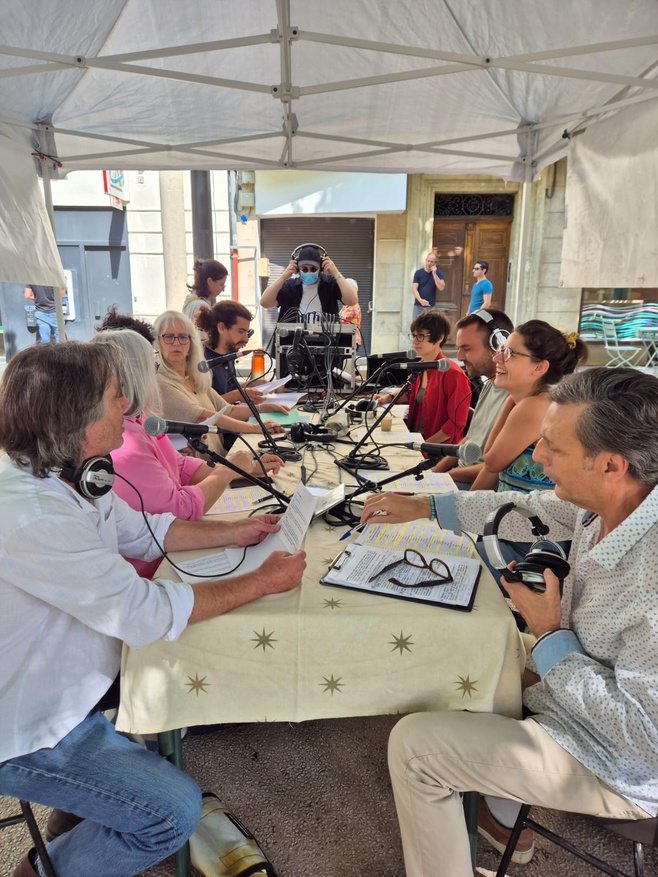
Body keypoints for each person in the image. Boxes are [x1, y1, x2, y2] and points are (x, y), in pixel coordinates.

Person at [0, 341, 306, 877]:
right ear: (77, 418)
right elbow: (143, 612)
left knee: (189, 679)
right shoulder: (33, 516)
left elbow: (144, 530)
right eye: (116, 398)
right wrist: (260, 582)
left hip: (80, 684)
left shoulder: (70, 472)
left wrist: (236, 530)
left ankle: (73, 819)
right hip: (30, 725)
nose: (129, 407)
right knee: (172, 813)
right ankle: (42, 871)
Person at [361, 366, 658, 877]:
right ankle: (499, 810)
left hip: (617, 763)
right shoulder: (610, 504)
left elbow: (642, 737)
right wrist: (425, 506)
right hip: (574, 684)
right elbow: (527, 506)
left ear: (611, 465)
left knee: (415, 749)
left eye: (554, 450)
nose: (538, 459)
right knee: (457, 647)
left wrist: (548, 635)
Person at [91, 329, 285, 577]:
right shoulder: (122, 441)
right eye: (152, 365)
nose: (156, 371)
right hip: (157, 569)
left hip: (172, 548)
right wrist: (226, 472)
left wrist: (245, 469)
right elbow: (180, 510)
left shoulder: (141, 418)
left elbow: (181, 465)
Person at [470, 322, 588, 494]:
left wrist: (509, 401)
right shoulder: (537, 400)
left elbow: (490, 462)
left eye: (509, 353)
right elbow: (491, 470)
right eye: (501, 350)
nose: (496, 358)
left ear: (539, 367)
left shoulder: (533, 407)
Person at [154, 310, 286, 459]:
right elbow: (202, 416)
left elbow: (227, 410)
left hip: (219, 458)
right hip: (198, 471)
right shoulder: (159, 381)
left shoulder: (193, 377)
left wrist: (264, 408)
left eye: (183, 337)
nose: (176, 343)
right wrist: (255, 428)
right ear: (158, 342)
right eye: (169, 337)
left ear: (191, 343)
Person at [433, 308, 514, 488]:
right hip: (457, 478)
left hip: (473, 486)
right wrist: (434, 472)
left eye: (466, 349)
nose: (460, 357)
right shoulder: (489, 385)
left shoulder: (517, 398)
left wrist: (448, 477)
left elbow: (496, 468)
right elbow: (470, 439)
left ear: (498, 344)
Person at [374, 309, 470, 445]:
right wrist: (387, 397)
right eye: (413, 335)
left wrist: (424, 446)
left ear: (440, 337)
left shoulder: (453, 374)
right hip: (417, 438)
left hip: (438, 448)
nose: (415, 341)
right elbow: (410, 393)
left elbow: (456, 424)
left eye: (420, 336)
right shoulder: (421, 366)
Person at [195, 300, 285, 407]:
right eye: (241, 332)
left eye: (247, 332)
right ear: (222, 328)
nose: (246, 339)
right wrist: (236, 395)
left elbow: (227, 390)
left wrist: (249, 385)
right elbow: (201, 405)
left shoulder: (229, 353)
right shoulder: (198, 359)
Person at [259, 243, 358, 321]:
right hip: (292, 343)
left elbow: (352, 301)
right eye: (304, 269)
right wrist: (284, 276)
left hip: (326, 343)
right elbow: (264, 303)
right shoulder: (290, 286)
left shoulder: (330, 284)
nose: (309, 272)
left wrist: (335, 272)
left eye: (313, 269)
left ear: (321, 268)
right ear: (298, 268)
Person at [182, 258, 228, 326]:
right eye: (221, 285)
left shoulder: (189, 300)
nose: (223, 289)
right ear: (209, 281)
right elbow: (203, 336)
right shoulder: (202, 307)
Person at [411, 252, 445, 320]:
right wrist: (421, 300)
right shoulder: (418, 273)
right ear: (425, 260)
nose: (429, 263)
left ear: (434, 263)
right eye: (428, 261)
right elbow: (414, 289)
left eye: (431, 262)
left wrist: (434, 274)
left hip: (430, 307)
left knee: (430, 328)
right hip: (418, 306)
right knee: (416, 328)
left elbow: (441, 287)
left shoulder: (438, 273)